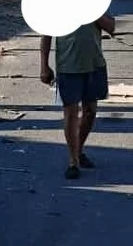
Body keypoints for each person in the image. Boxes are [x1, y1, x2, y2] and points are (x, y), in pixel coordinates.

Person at [40, 12, 116, 180]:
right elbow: (46, 36)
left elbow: (111, 27)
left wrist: (93, 13)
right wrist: (44, 66)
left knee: (91, 111)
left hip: (94, 64)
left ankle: (78, 150)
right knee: (71, 113)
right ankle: (73, 161)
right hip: (68, 67)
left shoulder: (96, 3)